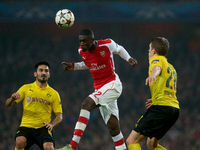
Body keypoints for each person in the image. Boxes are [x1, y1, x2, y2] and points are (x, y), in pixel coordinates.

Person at [57, 29, 138, 150]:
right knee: (113, 127)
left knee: (86, 104)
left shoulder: (106, 44)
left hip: (112, 84)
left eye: (84, 41)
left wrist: (128, 58)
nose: (82, 43)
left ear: (92, 40)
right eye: (80, 41)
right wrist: (74, 67)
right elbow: (90, 63)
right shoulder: (81, 51)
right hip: (100, 88)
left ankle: (72, 146)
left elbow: (119, 49)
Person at [126, 37, 180, 150]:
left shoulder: (157, 59)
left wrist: (153, 75)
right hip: (173, 109)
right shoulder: (171, 67)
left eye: (149, 49)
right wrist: (155, 99)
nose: (148, 51)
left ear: (154, 50)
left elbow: (157, 68)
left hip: (162, 107)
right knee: (151, 144)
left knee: (132, 140)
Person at [5, 61, 63, 150]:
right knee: (20, 141)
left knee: (49, 147)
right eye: (41, 70)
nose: (43, 73)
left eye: (46, 71)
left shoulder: (54, 94)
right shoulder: (26, 88)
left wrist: (52, 124)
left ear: (49, 74)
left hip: (43, 128)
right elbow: (7, 104)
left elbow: (59, 116)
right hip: (26, 126)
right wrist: (12, 98)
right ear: (35, 74)